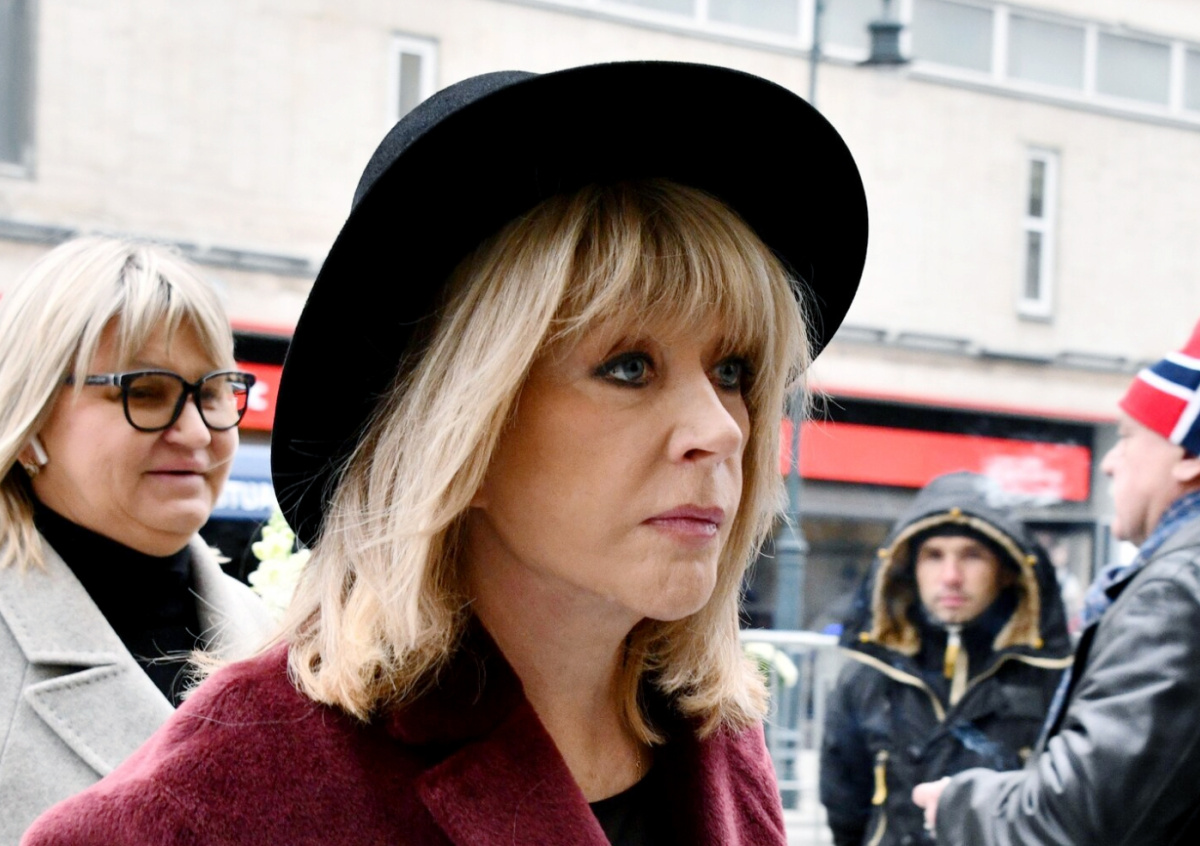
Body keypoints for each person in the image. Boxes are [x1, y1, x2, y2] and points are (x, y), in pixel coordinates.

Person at [22, 62, 867, 845]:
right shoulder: (223, 802)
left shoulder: (713, 732)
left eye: (733, 371)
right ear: (460, 429)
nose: (721, 428)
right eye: (628, 368)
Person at [0, 237, 275, 843]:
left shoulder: (277, 637)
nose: (196, 432)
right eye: (144, 392)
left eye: (211, 393)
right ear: (30, 418)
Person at [912, 319, 1200, 844]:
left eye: (1127, 438)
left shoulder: (1174, 589)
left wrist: (958, 804)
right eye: (934, 556)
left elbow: (1081, 818)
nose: (1109, 463)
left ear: (1188, 456)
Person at [818, 472, 1071, 846]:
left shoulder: (1054, 679)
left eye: (973, 555)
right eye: (934, 556)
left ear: (1006, 570)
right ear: (910, 568)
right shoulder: (869, 676)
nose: (951, 577)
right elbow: (845, 811)